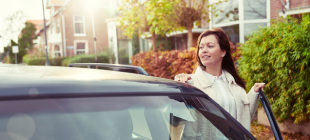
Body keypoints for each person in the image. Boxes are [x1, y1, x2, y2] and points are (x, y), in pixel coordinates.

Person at [174, 28, 265, 131]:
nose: (204, 50)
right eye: (201, 47)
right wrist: (179, 82)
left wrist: (254, 92)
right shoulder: (191, 83)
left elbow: (244, 116)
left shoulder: (235, 85)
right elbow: (177, 116)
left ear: (223, 52)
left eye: (210, 46)